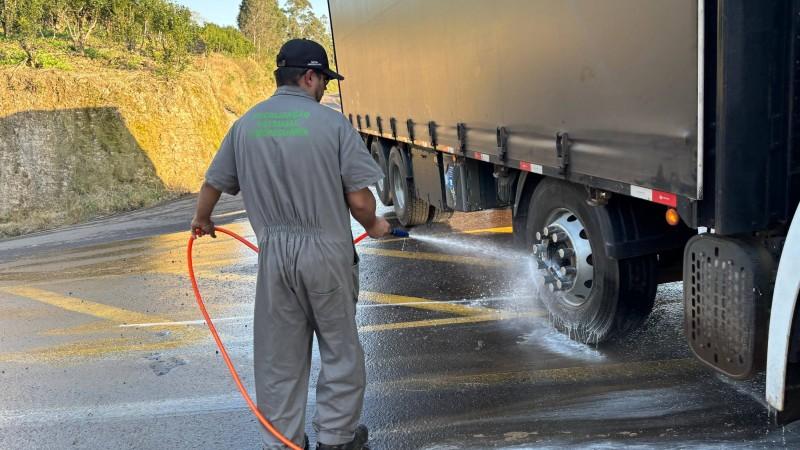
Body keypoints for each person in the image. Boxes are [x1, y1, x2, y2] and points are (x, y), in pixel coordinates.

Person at [191, 38, 390, 450]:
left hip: (274, 257)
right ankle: (337, 439)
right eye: (323, 81)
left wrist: (202, 220)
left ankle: (284, 442)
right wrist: (374, 225)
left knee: (278, 358)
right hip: (326, 254)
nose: (324, 90)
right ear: (310, 76)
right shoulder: (330, 123)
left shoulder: (247, 123)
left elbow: (213, 183)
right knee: (340, 349)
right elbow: (358, 198)